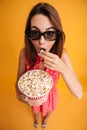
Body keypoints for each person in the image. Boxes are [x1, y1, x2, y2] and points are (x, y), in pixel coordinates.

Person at [15, 2, 83, 129]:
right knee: (35, 110)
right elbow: (18, 84)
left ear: (57, 35)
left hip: (51, 95)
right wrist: (23, 98)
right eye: (35, 33)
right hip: (32, 95)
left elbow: (79, 94)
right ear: (28, 34)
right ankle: (36, 119)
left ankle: (45, 121)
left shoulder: (62, 55)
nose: (41, 42)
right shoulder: (24, 53)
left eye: (49, 34)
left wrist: (63, 68)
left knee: (50, 110)